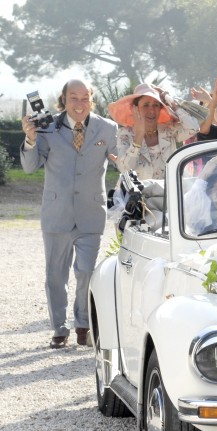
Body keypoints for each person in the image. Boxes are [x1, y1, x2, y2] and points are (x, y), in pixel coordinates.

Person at [20, 79, 118, 348]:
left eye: (85, 97)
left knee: (86, 271)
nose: (79, 103)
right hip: (56, 212)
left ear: (91, 99)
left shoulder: (107, 128)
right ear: (63, 99)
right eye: (73, 97)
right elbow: (29, 167)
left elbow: (123, 161)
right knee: (55, 275)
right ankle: (58, 327)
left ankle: (83, 323)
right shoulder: (47, 127)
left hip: (91, 213)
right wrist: (30, 138)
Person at [109, 82, 199, 180]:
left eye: (156, 105)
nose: (151, 110)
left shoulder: (168, 130)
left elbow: (193, 127)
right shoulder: (125, 134)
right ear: (136, 109)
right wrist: (139, 136)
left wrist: (168, 98)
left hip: (168, 193)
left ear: (160, 109)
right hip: (138, 194)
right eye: (146, 105)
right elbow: (125, 169)